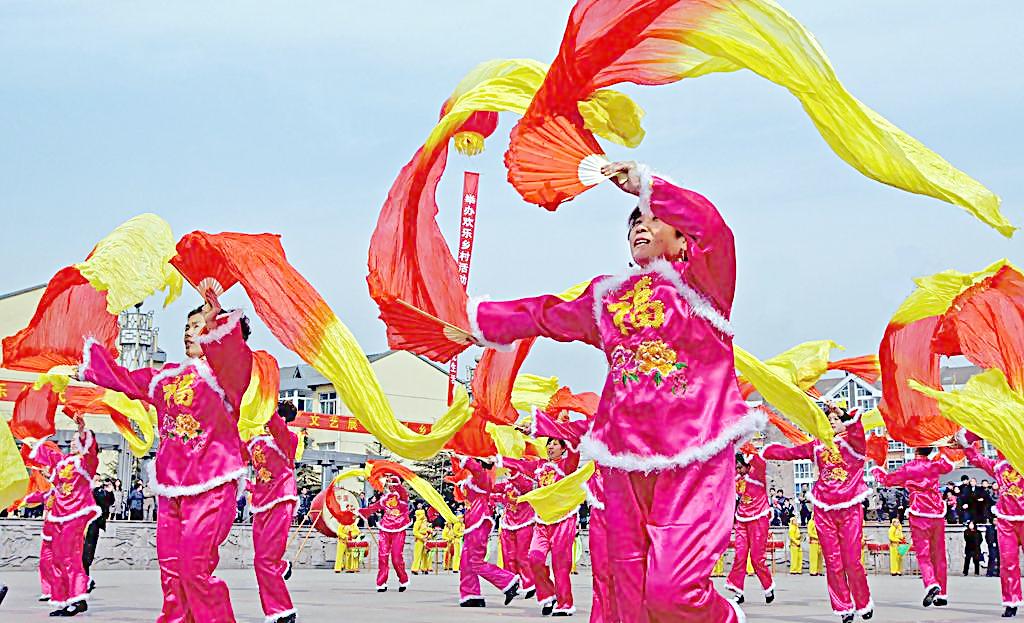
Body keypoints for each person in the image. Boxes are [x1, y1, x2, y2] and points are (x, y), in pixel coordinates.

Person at [468, 160, 759, 623]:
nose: (641, 226)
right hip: (623, 457)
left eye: (653, 219)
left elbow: (715, 228)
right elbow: (548, 314)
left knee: (673, 592)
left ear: (684, 240)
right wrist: (477, 322)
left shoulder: (705, 286)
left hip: (695, 452)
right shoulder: (607, 297)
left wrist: (646, 185)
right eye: (635, 222)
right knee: (626, 589)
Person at [80, 290, 254, 622]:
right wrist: (87, 365)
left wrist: (216, 316)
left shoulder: (228, 377)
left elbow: (234, 353)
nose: (189, 332)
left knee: (194, 569)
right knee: (171, 572)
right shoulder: (168, 376)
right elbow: (126, 380)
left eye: (198, 325)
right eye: (188, 326)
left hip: (212, 488)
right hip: (171, 487)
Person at [763, 403, 873, 622]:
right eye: (829, 419)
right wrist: (765, 451)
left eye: (836, 419)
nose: (832, 421)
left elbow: (856, 430)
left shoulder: (855, 444)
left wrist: (843, 413)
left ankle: (863, 602)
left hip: (849, 508)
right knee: (833, 562)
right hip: (823, 509)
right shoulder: (817, 446)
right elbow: (791, 453)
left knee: (852, 560)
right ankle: (844, 608)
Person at [26, 418, 99, 617]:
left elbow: (90, 450)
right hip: (58, 515)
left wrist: (82, 428)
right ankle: (66, 599)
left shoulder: (87, 463)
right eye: (73, 440)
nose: (74, 442)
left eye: (78, 439)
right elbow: (50, 456)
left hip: (75, 514)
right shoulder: (65, 461)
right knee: (57, 558)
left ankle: (78, 598)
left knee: (70, 557)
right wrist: (35, 442)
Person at [503, 438, 579, 615]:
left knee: (560, 565)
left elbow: (575, 448)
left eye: (555, 444)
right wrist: (497, 459)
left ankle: (564, 604)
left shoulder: (568, 465)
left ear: (563, 448)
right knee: (534, 558)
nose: (550, 447)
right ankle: (548, 595)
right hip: (542, 522)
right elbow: (519, 465)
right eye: (548, 444)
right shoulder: (539, 466)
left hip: (563, 520)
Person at [871, 447, 953, 607]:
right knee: (939, 554)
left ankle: (931, 583)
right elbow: (949, 465)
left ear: (916, 449)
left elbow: (888, 480)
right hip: (937, 513)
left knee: (923, 554)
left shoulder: (909, 467)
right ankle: (942, 594)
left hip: (919, 512)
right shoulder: (935, 465)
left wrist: (877, 468)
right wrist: (946, 447)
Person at [242, 399, 300, 623]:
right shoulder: (255, 442)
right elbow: (235, 454)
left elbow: (276, 426)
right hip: (260, 503)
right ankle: (281, 567)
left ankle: (283, 611)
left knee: (264, 560)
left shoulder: (288, 440)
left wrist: (265, 396)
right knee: (262, 561)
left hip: (281, 500)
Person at [960, 435, 1024, 618]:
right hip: (1006, 521)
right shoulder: (998, 466)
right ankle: (1011, 601)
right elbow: (977, 459)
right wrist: (967, 443)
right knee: (1008, 562)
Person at [454, 458, 520, 608]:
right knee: (466, 561)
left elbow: (475, 468)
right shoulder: (472, 479)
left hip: (480, 519)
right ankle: (471, 595)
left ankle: (508, 581)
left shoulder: (484, 476)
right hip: (472, 521)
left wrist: (464, 457)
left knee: (475, 560)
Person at [726, 451, 775, 605]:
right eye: (736, 468)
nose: (738, 470)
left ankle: (768, 586)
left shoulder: (757, 474)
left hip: (759, 518)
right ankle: (738, 591)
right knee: (739, 556)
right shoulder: (736, 479)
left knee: (757, 558)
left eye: (740, 467)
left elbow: (760, 461)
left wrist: (748, 449)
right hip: (741, 518)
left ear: (747, 464)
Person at [359, 475, 412, 592]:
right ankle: (381, 582)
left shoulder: (402, 496)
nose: (390, 487)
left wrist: (394, 479)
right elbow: (374, 507)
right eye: (388, 484)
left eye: (392, 484)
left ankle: (403, 579)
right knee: (382, 557)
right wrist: (361, 512)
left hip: (398, 528)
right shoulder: (385, 498)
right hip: (385, 528)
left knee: (396, 558)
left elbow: (401, 489)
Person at [494, 471, 537, 599]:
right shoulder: (506, 483)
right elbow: (491, 487)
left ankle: (530, 584)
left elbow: (523, 486)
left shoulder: (527, 482)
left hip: (524, 522)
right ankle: (511, 584)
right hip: (508, 522)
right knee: (508, 556)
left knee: (522, 556)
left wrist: (513, 470)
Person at [83, 476, 115, 587]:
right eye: (97, 480)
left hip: (93, 525)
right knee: (84, 553)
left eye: (99, 480)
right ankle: (83, 579)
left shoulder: (99, 492)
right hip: (83, 525)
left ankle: (85, 578)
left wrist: (110, 492)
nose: (99, 482)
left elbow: (108, 502)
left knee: (88, 552)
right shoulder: (86, 490)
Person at [411, 508, 431, 575]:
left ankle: (424, 568)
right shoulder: (417, 522)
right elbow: (415, 532)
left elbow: (428, 530)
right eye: (422, 514)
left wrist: (429, 535)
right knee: (417, 554)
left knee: (425, 554)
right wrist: (422, 537)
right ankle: (415, 569)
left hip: (426, 538)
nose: (423, 515)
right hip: (419, 540)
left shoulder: (425, 522)